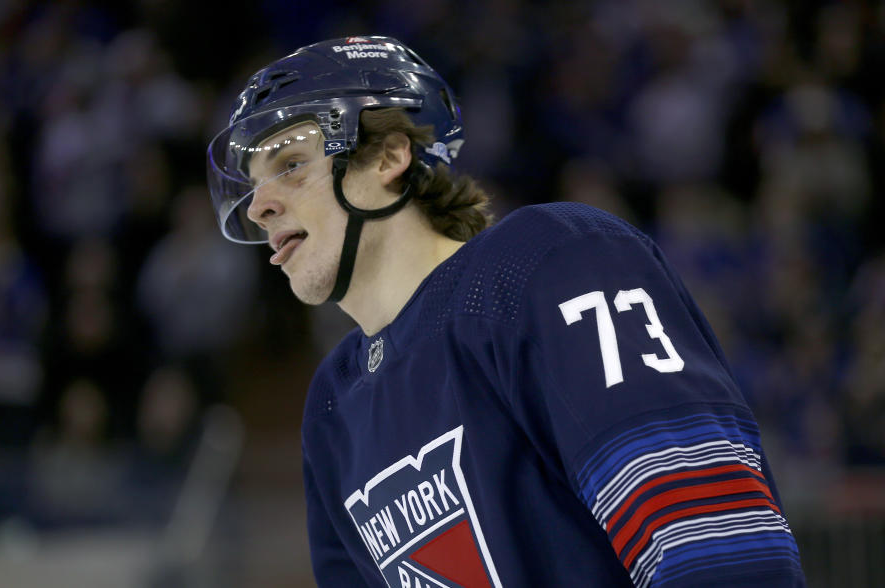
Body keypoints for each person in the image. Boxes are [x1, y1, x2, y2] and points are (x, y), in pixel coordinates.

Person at [206, 36, 805, 587]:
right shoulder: (333, 406)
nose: (260, 208)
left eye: (289, 165)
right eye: (253, 185)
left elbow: (714, 545)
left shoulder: (551, 259)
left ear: (389, 156)